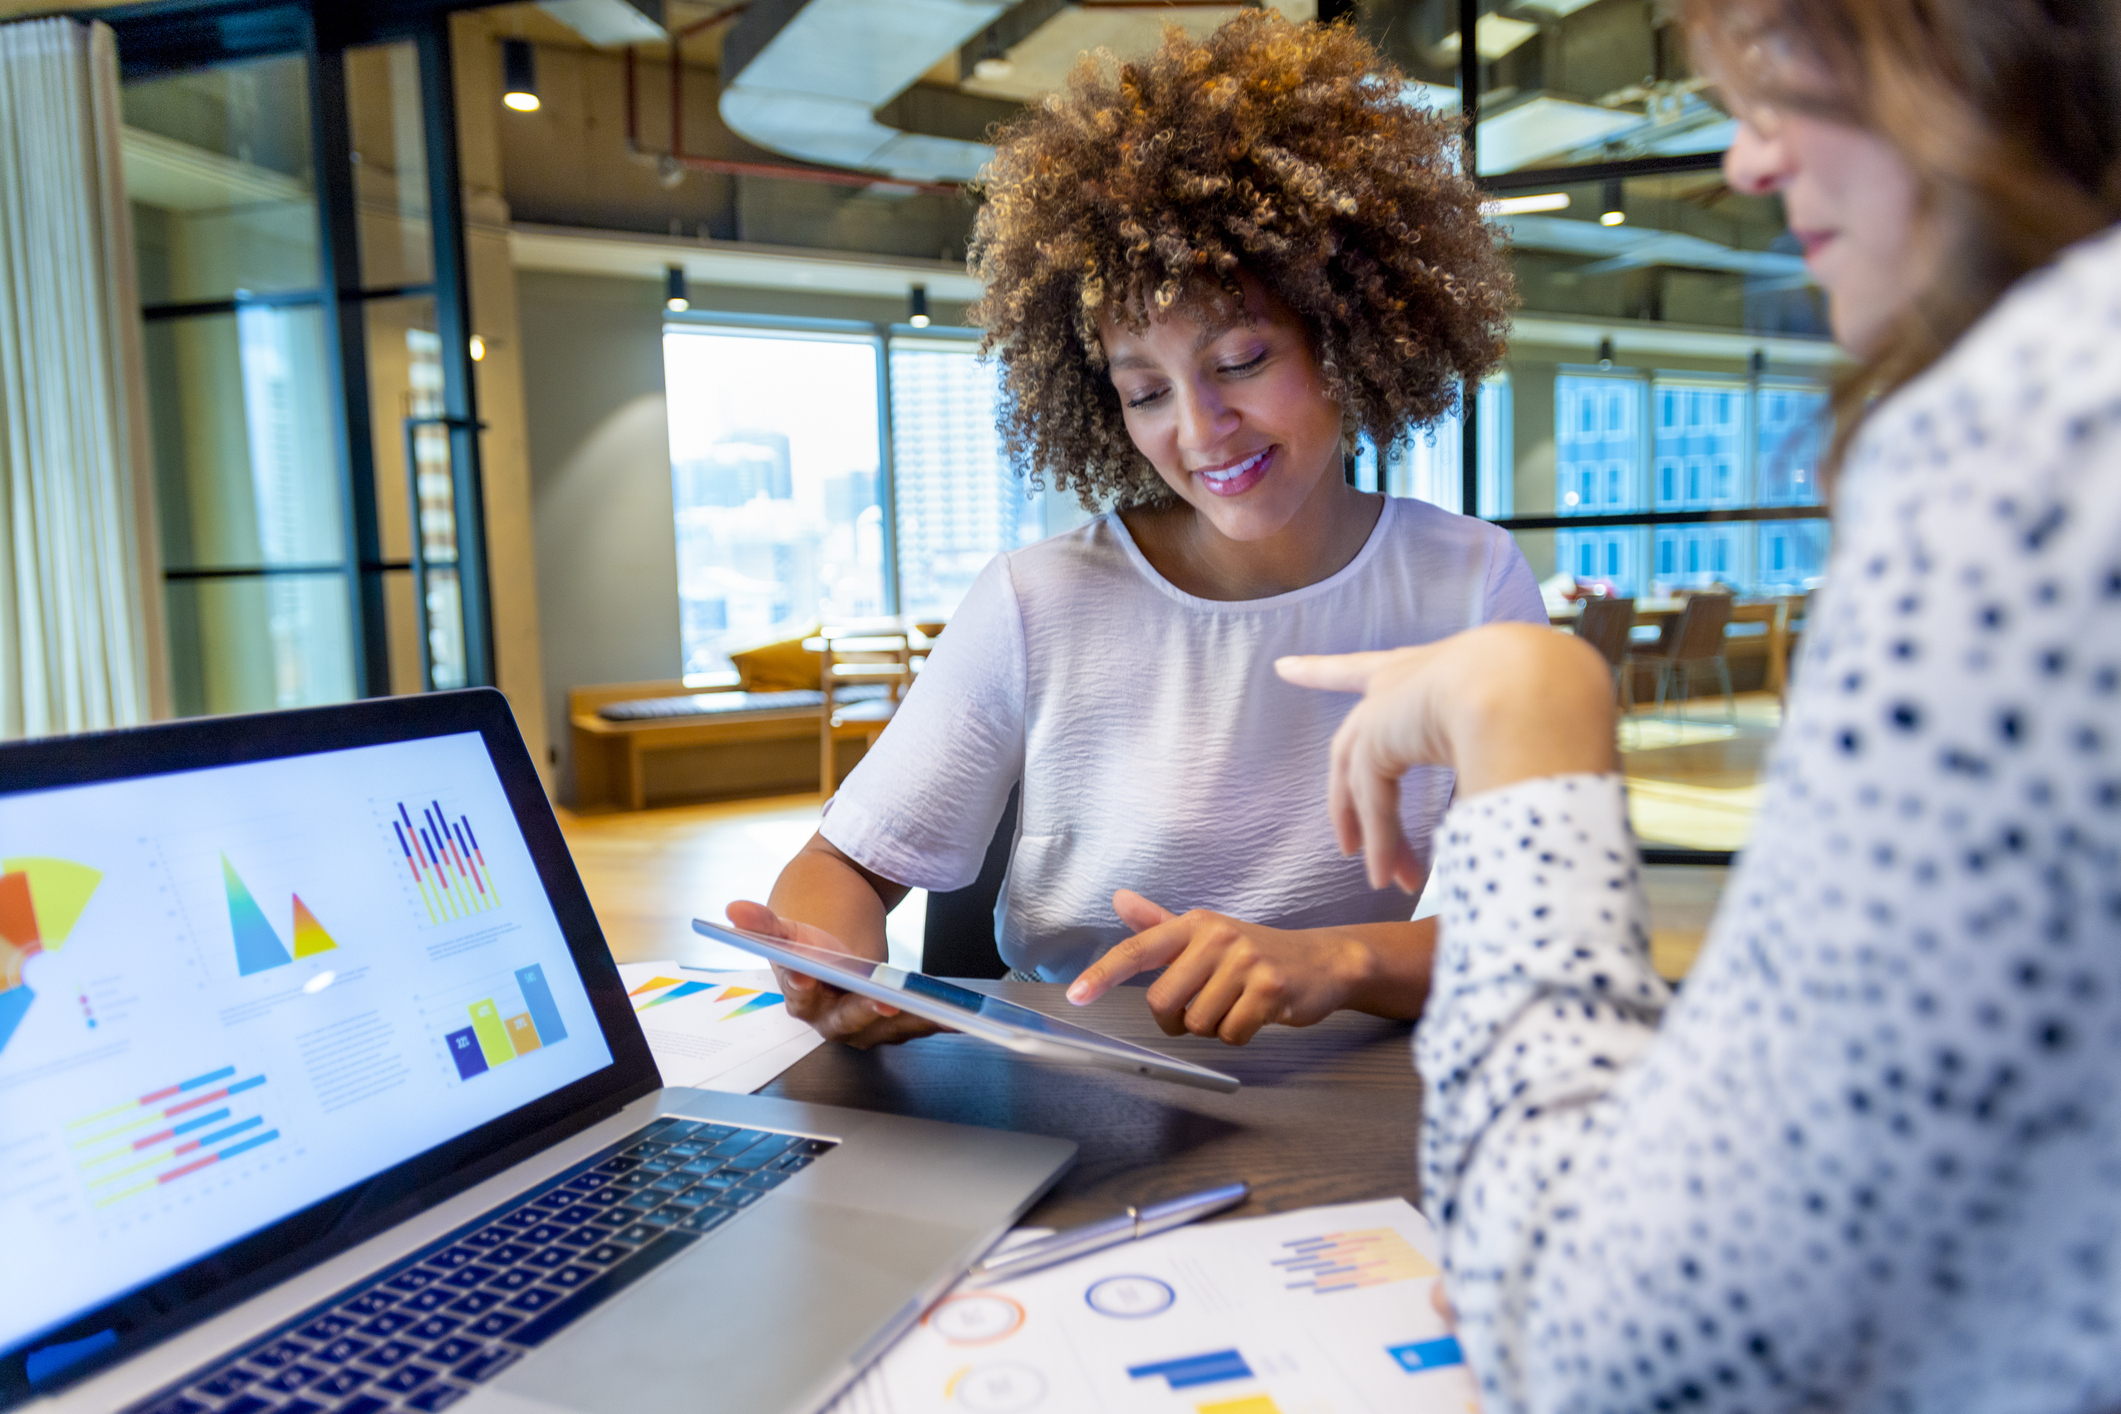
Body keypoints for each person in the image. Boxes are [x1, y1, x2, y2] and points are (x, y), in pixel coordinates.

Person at [1275, 1, 2121, 1409]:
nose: (1745, 159)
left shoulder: (2031, 448)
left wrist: (1521, 715)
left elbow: (1618, 1349)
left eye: (1785, 74)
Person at [730, 12, 1541, 1049]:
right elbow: (843, 866)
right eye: (1144, 389)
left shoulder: (1470, 583)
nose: (1200, 432)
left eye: (1242, 361)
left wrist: (1331, 962)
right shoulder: (1038, 600)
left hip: (1371, 1109)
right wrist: (830, 956)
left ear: (1351, 332)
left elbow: (1526, 932)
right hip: (1073, 1093)